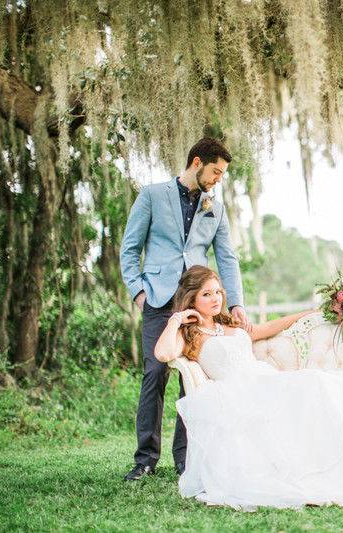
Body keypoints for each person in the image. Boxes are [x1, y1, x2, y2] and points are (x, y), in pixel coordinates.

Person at [154, 266, 343, 509]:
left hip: (264, 382)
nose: (216, 299)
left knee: (320, 389)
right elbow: (164, 354)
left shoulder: (233, 326)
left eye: (218, 292)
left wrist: (314, 313)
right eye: (207, 294)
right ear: (192, 297)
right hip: (239, 395)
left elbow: (272, 327)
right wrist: (175, 320)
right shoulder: (189, 333)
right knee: (313, 386)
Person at [119, 137, 250, 481]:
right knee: (155, 374)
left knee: (194, 380)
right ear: (196, 163)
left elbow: (227, 257)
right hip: (158, 300)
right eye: (215, 172)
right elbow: (129, 249)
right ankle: (145, 459)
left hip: (197, 304)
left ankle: (185, 458)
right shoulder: (151, 195)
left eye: (222, 174)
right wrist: (138, 293)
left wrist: (235, 302)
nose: (218, 179)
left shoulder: (216, 207)